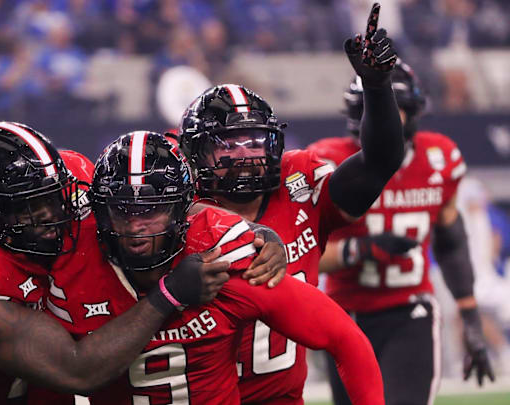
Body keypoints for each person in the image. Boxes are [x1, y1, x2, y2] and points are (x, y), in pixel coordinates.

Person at [0, 122, 230, 404]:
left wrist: (246, 231)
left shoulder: (71, 180)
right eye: (30, 209)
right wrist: (169, 295)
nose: (53, 215)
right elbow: (76, 370)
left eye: (52, 197)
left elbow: (151, 197)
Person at [35, 132, 384, 405]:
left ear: (181, 211)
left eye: (151, 209)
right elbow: (63, 377)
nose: (137, 224)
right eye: (123, 209)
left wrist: (260, 233)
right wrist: (170, 295)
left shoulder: (222, 256)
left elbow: (344, 337)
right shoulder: (69, 261)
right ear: (99, 211)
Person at [177, 4, 405, 403]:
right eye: (230, 145)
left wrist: (377, 87)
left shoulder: (299, 183)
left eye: (255, 141)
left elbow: (379, 162)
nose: (246, 155)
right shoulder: (177, 211)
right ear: (196, 155)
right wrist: (248, 233)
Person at [307, 61, 494, 405]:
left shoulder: (439, 157)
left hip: (409, 311)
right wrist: (362, 249)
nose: (381, 119)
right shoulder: (326, 161)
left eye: (391, 109)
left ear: (411, 112)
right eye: (372, 109)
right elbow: (302, 254)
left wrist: (470, 320)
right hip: (343, 316)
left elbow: (451, 242)